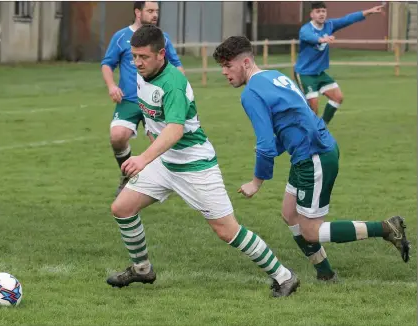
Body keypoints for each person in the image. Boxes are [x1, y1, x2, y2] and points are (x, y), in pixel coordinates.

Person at [106, 25, 300, 298]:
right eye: (134, 56)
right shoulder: (143, 75)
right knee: (122, 208)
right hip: (165, 162)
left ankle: (284, 276)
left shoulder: (172, 83)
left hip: (195, 165)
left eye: (143, 57)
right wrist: (151, 141)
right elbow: (155, 119)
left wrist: (142, 158)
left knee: (227, 230)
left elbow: (175, 130)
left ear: (161, 54)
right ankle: (142, 269)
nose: (137, 63)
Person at [213, 35, 410, 282]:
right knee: (289, 213)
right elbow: (294, 122)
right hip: (312, 151)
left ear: (244, 62)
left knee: (311, 231)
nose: (224, 72)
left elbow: (264, 143)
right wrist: (277, 149)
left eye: (227, 65)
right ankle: (325, 273)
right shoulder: (276, 76)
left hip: (314, 156)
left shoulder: (251, 93)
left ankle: (385, 228)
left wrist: (256, 182)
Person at [101, 1, 185, 196]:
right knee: (117, 136)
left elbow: (176, 66)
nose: (155, 15)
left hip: (156, 101)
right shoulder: (121, 37)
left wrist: (180, 90)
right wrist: (112, 86)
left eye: (156, 11)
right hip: (129, 100)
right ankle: (127, 174)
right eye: (150, 11)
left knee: (160, 144)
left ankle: (164, 184)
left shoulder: (162, 39)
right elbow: (107, 64)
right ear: (138, 12)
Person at [294, 1, 384, 124]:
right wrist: (322, 39)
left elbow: (347, 19)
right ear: (312, 14)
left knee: (337, 97)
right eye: (318, 11)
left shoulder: (329, 25)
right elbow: (310, 37)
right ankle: (300, 133)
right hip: (305, 74)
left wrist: (368, 12)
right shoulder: (305, 29)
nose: (321, 14)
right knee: (313, 108)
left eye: (323, 11)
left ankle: (322, 128)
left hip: (319, 73)